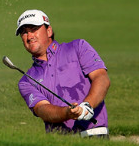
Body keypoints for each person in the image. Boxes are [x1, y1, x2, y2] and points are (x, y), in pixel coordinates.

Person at [13, 9, 111, 138]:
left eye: (34, 29)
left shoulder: (78, 47)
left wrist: (87, 105)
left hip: (94, 135)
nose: (29, 36)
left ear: (49, 31)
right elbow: (42, 110)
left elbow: (102, 78)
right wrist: (67, 113)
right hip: (60, 144)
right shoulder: (26, 81)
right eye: (24, 32)